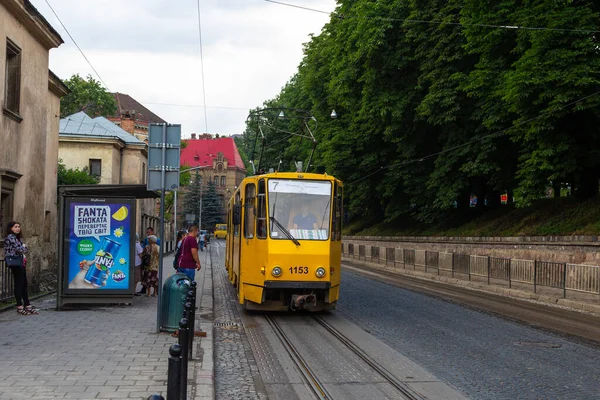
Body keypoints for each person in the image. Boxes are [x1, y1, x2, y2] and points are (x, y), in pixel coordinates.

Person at [4, 221, 37, 315]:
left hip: (20, 262)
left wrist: (24, 247)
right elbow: (21, 249)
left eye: (19, 227)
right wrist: (24, 247)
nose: (18, 228)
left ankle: (27, 305)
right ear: (11, 228)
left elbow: (23, 249)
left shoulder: (17, 238)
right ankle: (19, 306)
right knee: (19, 284)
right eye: (15, 227)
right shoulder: (10, 238)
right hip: (15, 263)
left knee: (24, 284)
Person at [140, 227, 160, 294]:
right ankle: (154, 292)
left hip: (148, 265)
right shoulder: (157, 247)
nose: (148, 234)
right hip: (155, 265)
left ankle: (148, 292)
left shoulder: (148, 246)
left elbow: (142, 253)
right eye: (147, 232)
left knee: (148, 278)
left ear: (152, 232)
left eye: (149, 232)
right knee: (154, 278)